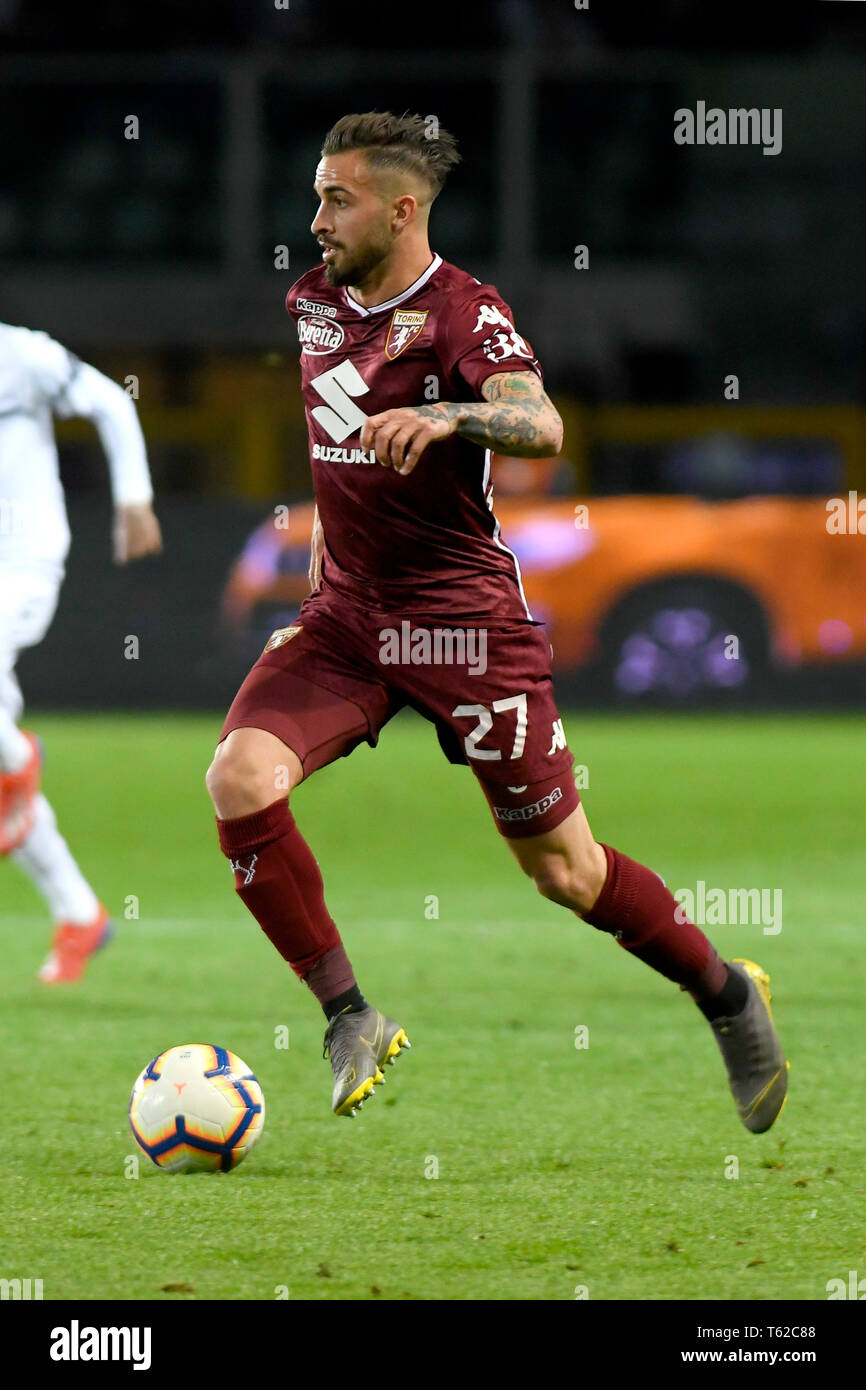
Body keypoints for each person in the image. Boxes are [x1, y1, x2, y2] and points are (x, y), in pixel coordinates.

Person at [206, 112, 787, 1128]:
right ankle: (348, 1014)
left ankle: (725, 993)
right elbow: (331, 463)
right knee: (238, 778)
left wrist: (447, 415)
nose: (314, 220)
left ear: (401, 208)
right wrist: (315, 591)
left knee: (564, 872)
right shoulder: (311, 303)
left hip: (463, 627)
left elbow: (539, 421)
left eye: (334, 199)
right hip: (345, 620)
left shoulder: (463, 313)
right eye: (314, 195)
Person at [0, 322, 161, 981]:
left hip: (23, 563)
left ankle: (17, 760)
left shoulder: (20, 354)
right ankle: (79, 913)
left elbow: (110, 400)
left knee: (4, 762)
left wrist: (134, 499)